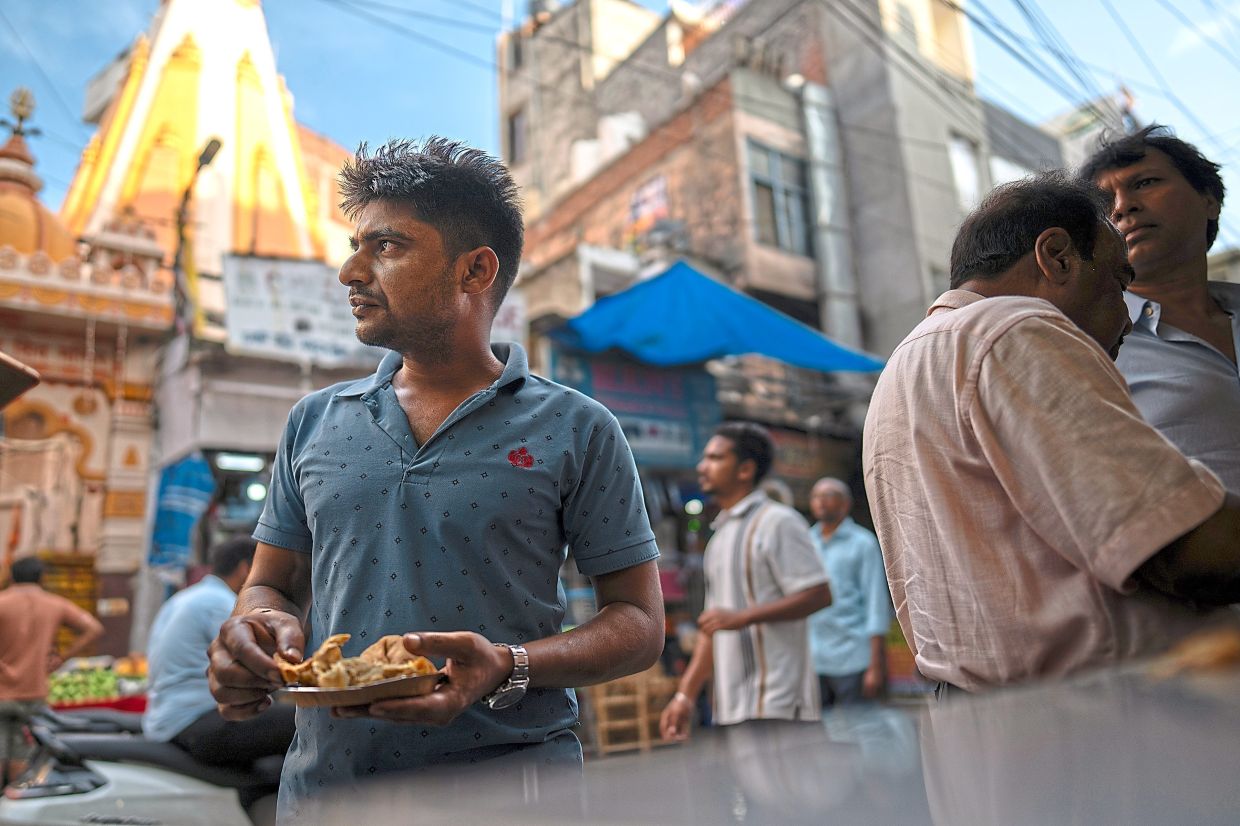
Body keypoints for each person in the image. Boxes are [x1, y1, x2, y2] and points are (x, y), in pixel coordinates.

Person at [207, 137, 664, 817]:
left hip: (514, 795)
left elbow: (638, 622)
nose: (350, 271)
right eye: (355, 245)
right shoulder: (314, 422)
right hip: (327, 796)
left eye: (386, 247)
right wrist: (257, 628)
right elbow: (270, 583)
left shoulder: (578, 427)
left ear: (475, 270)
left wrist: (508, 665)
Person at [863, 172, 1240, 693]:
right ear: (1057, 256)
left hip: (1002, 724)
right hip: (1108, 721)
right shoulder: (1014, 329)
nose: (1128, 321)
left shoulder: (905, 368)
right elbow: (1175, 543)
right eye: (1118, 282)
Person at [1081, 125, 1239, 492]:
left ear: (1209, 200)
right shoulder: (1091, 349)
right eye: (1105, 205)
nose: (1122, 206)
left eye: (1145, 182)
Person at [660, 422, 832, 741]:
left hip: (780, 701)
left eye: (715, 458)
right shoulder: (720, 537)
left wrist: (743, 617)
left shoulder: (778, 521)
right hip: (734, 705)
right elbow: (713, 628)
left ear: (745, 469)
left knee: (794, 792)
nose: (702, 467)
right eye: (705, 458)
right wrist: (685, 695)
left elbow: (818, 594)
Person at [144, 536, 295, 766]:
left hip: (164, 718)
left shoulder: (185, 597)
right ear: (246, 568)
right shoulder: (222, 602)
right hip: (196, 719)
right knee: (307, 722)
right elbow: (262, 662)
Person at [1, 556, 104, 780]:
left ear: (11, 575)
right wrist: (63, 657)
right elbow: (93, 629)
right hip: (33, 692)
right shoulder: (55, 604)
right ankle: (14, 807)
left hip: (1, 693)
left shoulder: (2, 602)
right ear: (42, 578)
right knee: (23, 754)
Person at [806, 478, 892, 706]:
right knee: (818, 738)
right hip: (814, 659)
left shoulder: (863, 543)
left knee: (856, 733)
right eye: (816, 496)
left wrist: (875, 665)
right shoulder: (807, 543)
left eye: (829, 495)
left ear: (845, 504)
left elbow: (876, 604)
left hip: (854, 658)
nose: (821, 501)